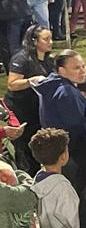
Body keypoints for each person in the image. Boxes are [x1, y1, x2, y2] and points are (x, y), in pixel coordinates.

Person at [35, 50, 86, 192]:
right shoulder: (66, 92)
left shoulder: (52, 87)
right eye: (77, 68)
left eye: (83, 66)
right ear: (62, 70)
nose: (83, 71)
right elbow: (78, 127)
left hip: (66, 154)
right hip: (78, 157)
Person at [8, 25, 55, 170]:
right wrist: (30, 81)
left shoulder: (49, 59)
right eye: (46, 39)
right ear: (34, 41)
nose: (50, 42)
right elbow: (12, 84)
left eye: (51, 38)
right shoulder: (21, 58)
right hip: (21, 108)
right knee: (24, 144)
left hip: (38, 107)